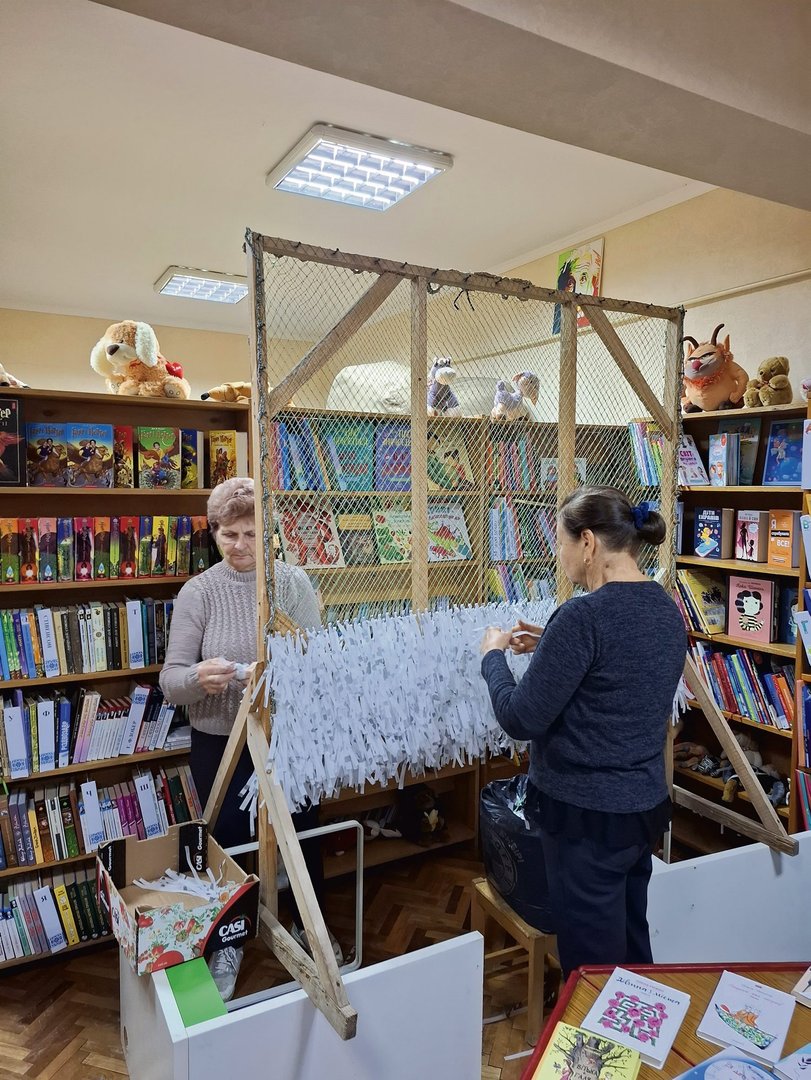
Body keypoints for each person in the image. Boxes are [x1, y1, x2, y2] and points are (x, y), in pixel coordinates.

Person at [479, 487, 686, 976]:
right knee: (632, 948)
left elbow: (520, 718)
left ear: (588, 542)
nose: (559, 552)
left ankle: (593, 1029)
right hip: (639, 813)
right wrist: (551, 644)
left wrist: (492, 657)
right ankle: (640, 1023)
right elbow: (617, 677)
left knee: (591, 968)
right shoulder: (665, 609)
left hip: (586, 822)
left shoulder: (583, 616)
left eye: (561, 541)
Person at [160, 476, 340, 999]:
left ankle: (310, 929)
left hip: (287, 738)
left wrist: (285, 673)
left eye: (250, 534)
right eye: (228, 534)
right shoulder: (198, 593)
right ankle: (229, 940)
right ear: (213, 532)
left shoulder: (293, 584)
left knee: (301, 834)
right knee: (230, 844)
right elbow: (170, 682)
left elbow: (316, 662)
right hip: (221, 742)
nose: (240, 545)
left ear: (268, 533)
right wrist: (199, 678)